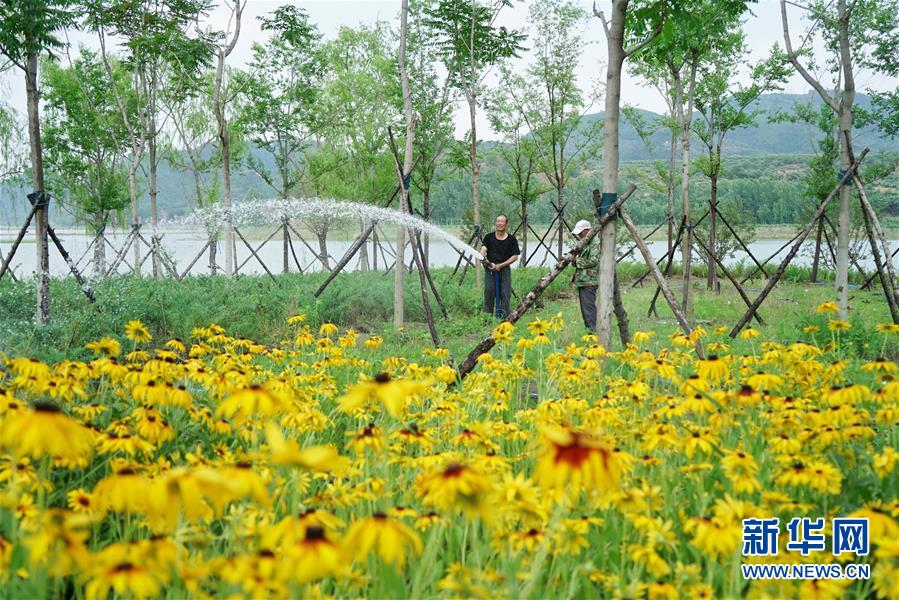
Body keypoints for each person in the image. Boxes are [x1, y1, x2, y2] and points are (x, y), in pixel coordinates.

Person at [480, 214, 520, 318]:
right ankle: (487, 318)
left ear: (506, 224)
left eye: (502, 222)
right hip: (490, 269)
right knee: (489, 291)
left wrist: (501, 265)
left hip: (504, 268)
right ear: (495, 223)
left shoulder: (511, 239)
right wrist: (483, 257)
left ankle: (504, 318)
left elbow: (515, 256)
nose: (500, 224)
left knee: (505, 293)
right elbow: (483, 249)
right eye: (498, 221)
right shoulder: (488, 237)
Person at [570, 219, 598, 330]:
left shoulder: (595, 243)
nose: (579, 236)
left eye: (580, 233)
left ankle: (592, 331)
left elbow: (593, 261)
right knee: (585, 309)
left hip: (589, 280)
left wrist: (576, 261)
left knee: (588, 309)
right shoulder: (586, 243)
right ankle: (590, 330)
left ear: (586, 231)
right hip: (584, 280)